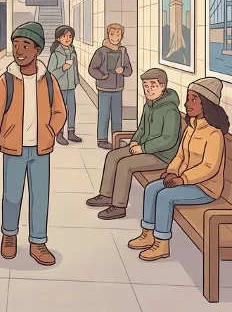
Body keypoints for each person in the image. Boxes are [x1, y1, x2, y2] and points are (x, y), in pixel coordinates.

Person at [0, 22, 66, 266]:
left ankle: (38, 241)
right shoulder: (6, 81)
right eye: (16, 45)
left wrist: (50, 131)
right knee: (11, 196)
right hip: (13, 149)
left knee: (40, 196)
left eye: (25, 45)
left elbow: (60, 111)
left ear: (37, 50)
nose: (19, 50)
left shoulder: (48, 81)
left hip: (41, 150)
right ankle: (9, 236)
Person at [128, 77, 228, 261]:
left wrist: (184, 179)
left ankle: (161, 243)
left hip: (205, 188)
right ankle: (147, 232)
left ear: (206, 104)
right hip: (184, 180)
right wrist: (173, 170)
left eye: (193, 99)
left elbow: (209, 167)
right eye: (188, 98)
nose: (187, 103)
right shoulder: (191, 128)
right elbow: (180, 155)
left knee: (165, 196)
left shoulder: (214, 134)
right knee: (152, 188)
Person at [87, 68, 181, 219]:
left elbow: (168, 139)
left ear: (162, 86)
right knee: (113, 155)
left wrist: (143, 148)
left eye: (153, 85)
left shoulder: (170, 110)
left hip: (162, 156)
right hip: (144, 148)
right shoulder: (149, 105)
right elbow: (142, 128)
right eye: (145, 85)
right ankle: (106, 195)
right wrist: (135, 141)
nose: (148, 89)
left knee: (125, 164)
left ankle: (118, 206)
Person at [89, 23, 133, 150]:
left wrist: (122, 70)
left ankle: (117, 139)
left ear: (122, 36)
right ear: (108, 35)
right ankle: (102, 140)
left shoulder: (123, 51)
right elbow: (92, 69)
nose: (115, 37)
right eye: (112, 34)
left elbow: (129, 70)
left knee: (117, 114)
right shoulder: (101, 51)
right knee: (104, 114)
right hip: (104, 88)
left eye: (118, 34)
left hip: (118, 88)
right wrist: (103, 76)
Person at [47, 25, 82, 145]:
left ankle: (71, 132)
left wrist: (76, 80)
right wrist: (63, 68)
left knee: (72, 110)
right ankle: (59, 133)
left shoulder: (73, 52)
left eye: (70, 36)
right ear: (58, 38)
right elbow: (51, 72)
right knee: (60, 111)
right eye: (64, 36)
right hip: (59, 88)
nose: (67, 39)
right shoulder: (55, 54)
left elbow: (75, 68)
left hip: (71, 87)